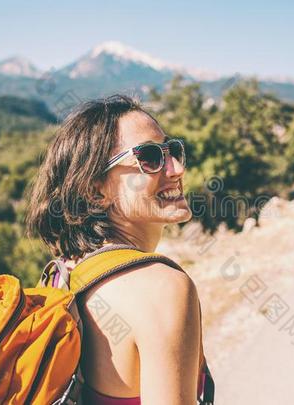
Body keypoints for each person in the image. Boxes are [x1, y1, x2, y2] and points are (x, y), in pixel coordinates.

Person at [25, 94, 207, 404]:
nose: (176, 168)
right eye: (149, 158)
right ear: (96, 191)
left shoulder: (63, 277)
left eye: (173, 150)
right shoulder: (163, 288)